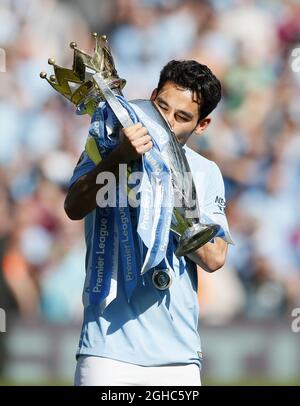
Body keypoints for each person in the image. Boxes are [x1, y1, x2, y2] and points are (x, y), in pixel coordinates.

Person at [64, 60, 233, 386]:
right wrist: (118, 160)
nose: (167, 122)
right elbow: (73, 206)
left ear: (202, 124)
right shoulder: (105, 149)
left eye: (182, 117)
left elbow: (215, 257)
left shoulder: (205, 171)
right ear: (152, 96)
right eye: (162, 108)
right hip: (106, 351)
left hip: (176, 358)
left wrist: (166, 191)